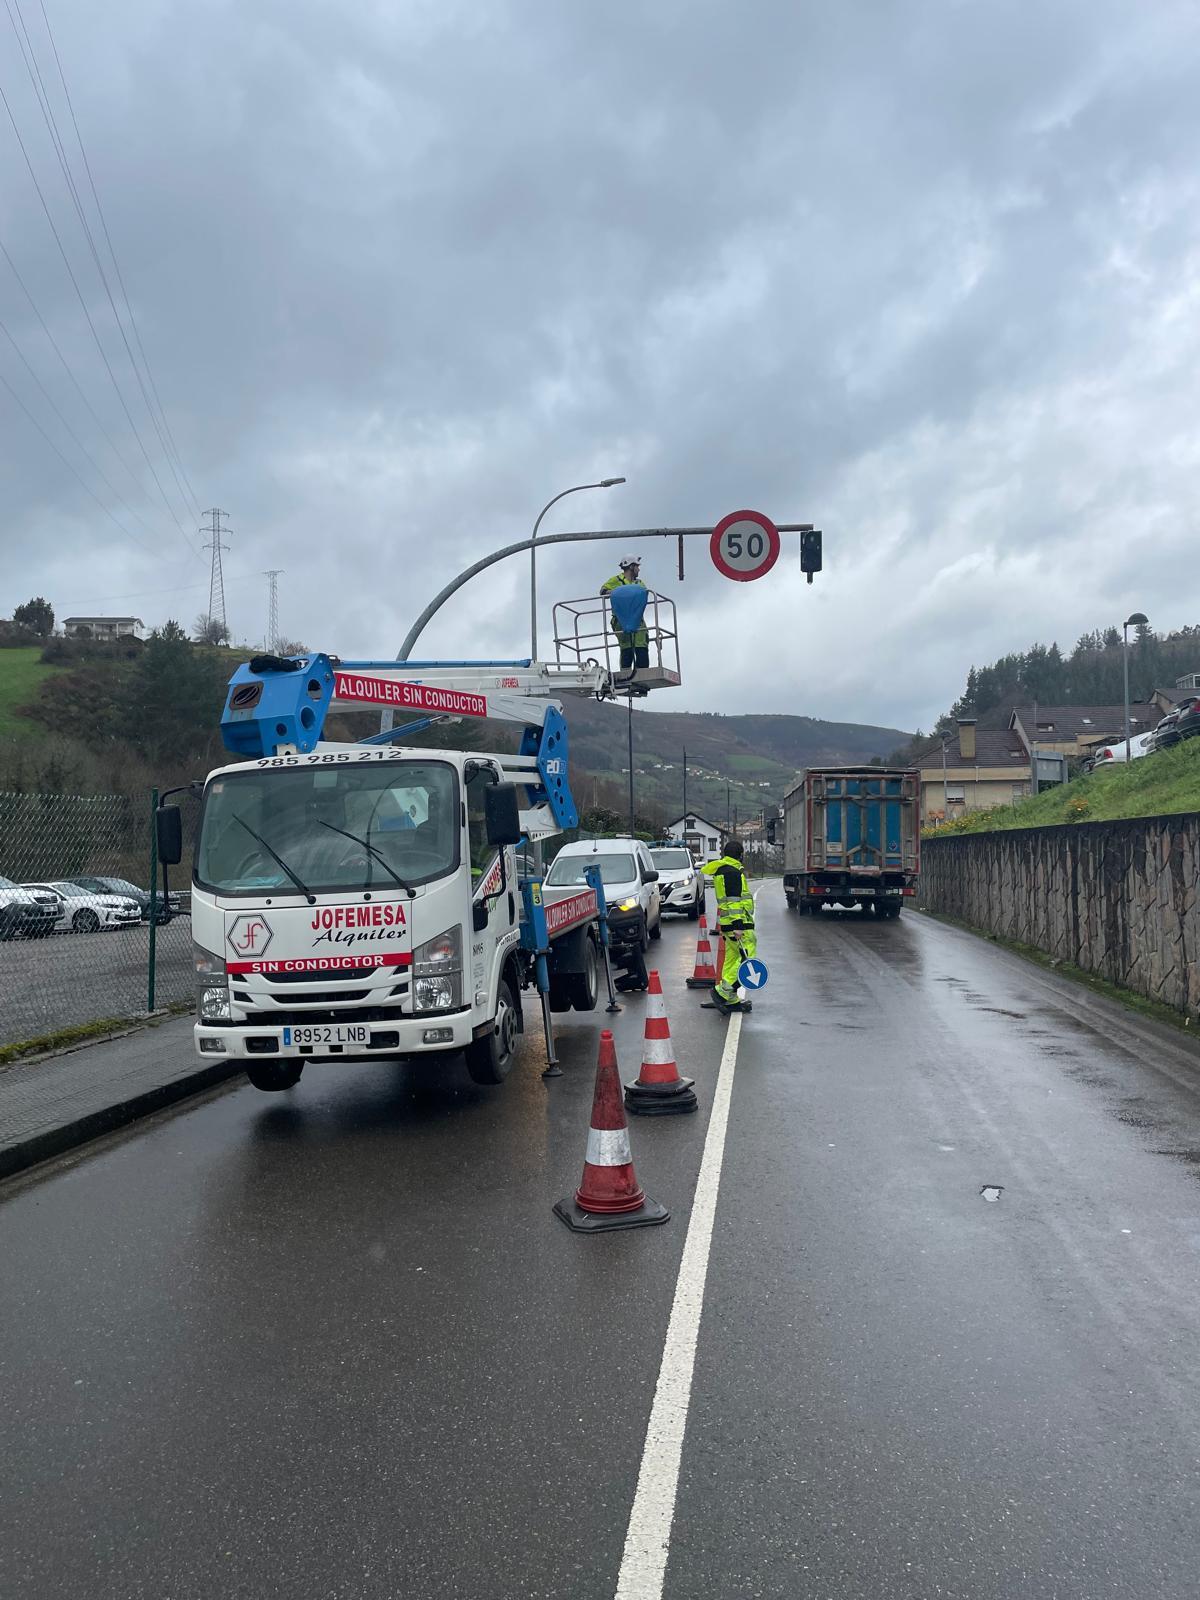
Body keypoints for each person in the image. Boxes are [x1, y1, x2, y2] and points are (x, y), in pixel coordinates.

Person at [701, 838, 757, 1014]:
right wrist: (739, 926)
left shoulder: (722, 871)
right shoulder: (732, 872)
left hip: (727, 924)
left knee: (732, 959)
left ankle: (731, 999)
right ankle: (723, 992)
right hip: (738, 925)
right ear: (740, 855)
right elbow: (733, 901)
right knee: (748, 959)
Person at [600, 555, 650, 670]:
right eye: (637, 566)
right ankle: (626, 676)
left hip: (638, 620)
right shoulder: (616, 580)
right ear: (631, 567)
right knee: (627, 650)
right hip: (621, 620)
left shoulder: (639, 583)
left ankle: (641, 678)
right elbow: (603, 591)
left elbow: (644, 594)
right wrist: (618, 592)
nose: (639, 569)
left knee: (641, 648)